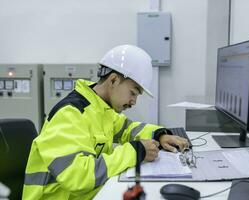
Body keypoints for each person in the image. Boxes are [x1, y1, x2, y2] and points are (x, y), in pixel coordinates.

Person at [22, 44, 188, 200]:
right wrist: (135, 152)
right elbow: (78, 177)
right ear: (113, 80)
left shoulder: (101, 109)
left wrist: (159, 135)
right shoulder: (70, 114)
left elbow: (128, 129)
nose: (133, 102)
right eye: (133, 93)